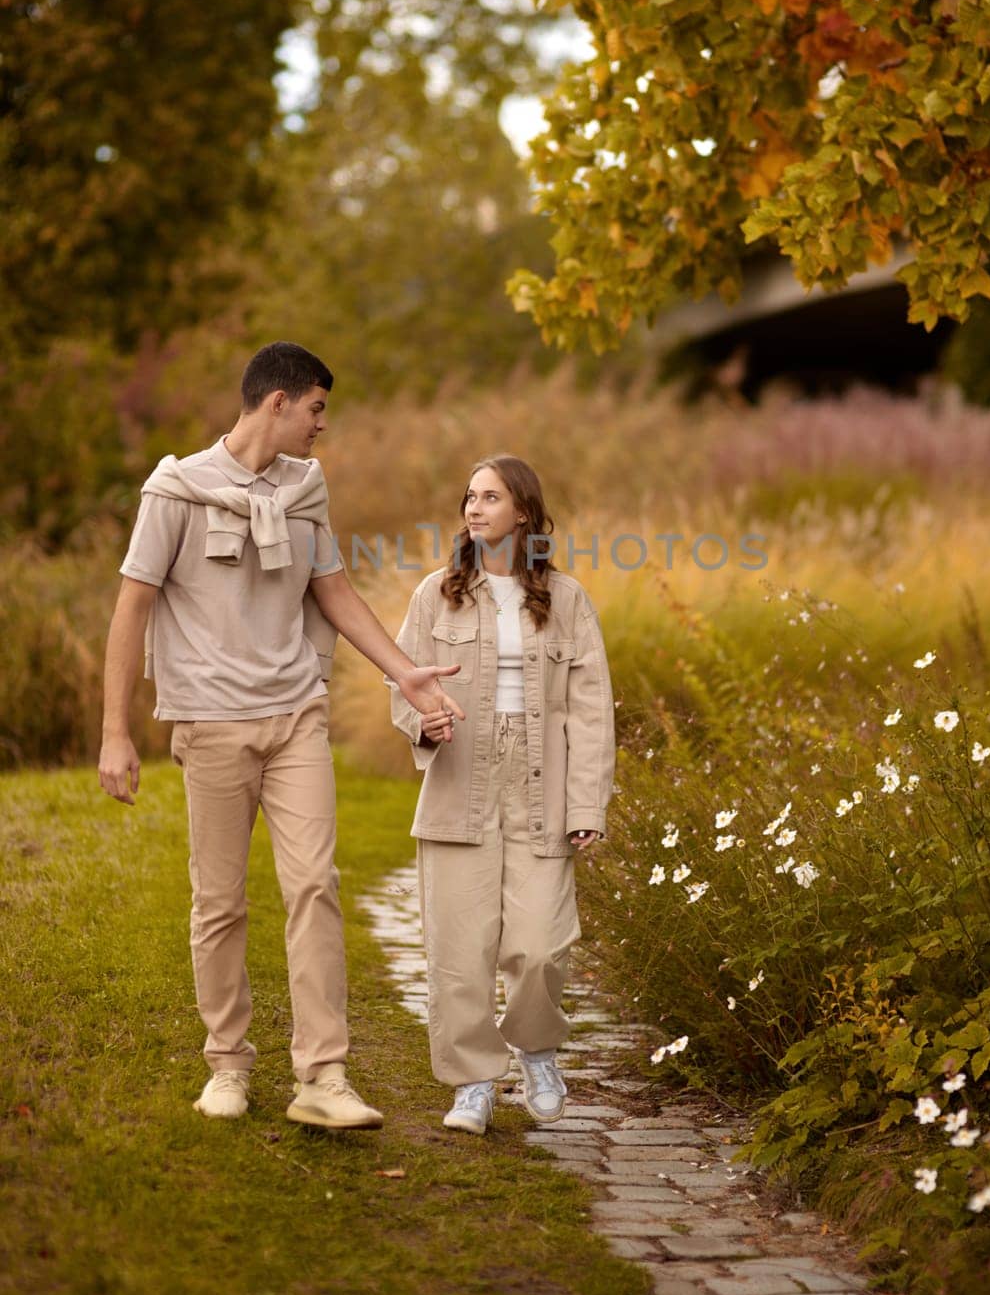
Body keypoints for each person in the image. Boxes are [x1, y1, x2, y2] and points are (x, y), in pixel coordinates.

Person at [97, 342, 464, 1129]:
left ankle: (323, 1075)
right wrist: (114, 733)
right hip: (211, 720)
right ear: (277, 403)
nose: (322, 426)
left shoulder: (304, 491)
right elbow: (132, 607)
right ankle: (227, 1064)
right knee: (220, 901)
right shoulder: (177, 491)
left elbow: (332, 591)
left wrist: (405, 671)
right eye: (317, 409)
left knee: (315, 888)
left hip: (295, 712)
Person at [387, 454, 614, 1136]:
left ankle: (538, 1051)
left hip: (541, 785)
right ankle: (474, 1082)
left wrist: (586, 807)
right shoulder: (437, 594)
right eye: (469, 497)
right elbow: (401, 680)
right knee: (460, 951)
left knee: (542, 945)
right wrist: (423, 723)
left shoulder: (567, 599)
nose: (475, 508)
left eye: (491, 497)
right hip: (462, 782)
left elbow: (592, 710)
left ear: (523, 511)